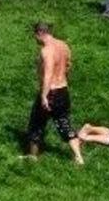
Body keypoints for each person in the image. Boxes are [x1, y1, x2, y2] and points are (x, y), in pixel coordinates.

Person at [24, 22, 83, 164]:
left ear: (39, 33)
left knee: (36, 124)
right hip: (63, 90)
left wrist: (44, 96)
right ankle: (78, 157)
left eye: (35, 36)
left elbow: (48, 74)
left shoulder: (46, 50)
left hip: (50, 92)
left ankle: (32, 156)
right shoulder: (63, 45)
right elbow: (68, 64)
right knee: (64, 123)